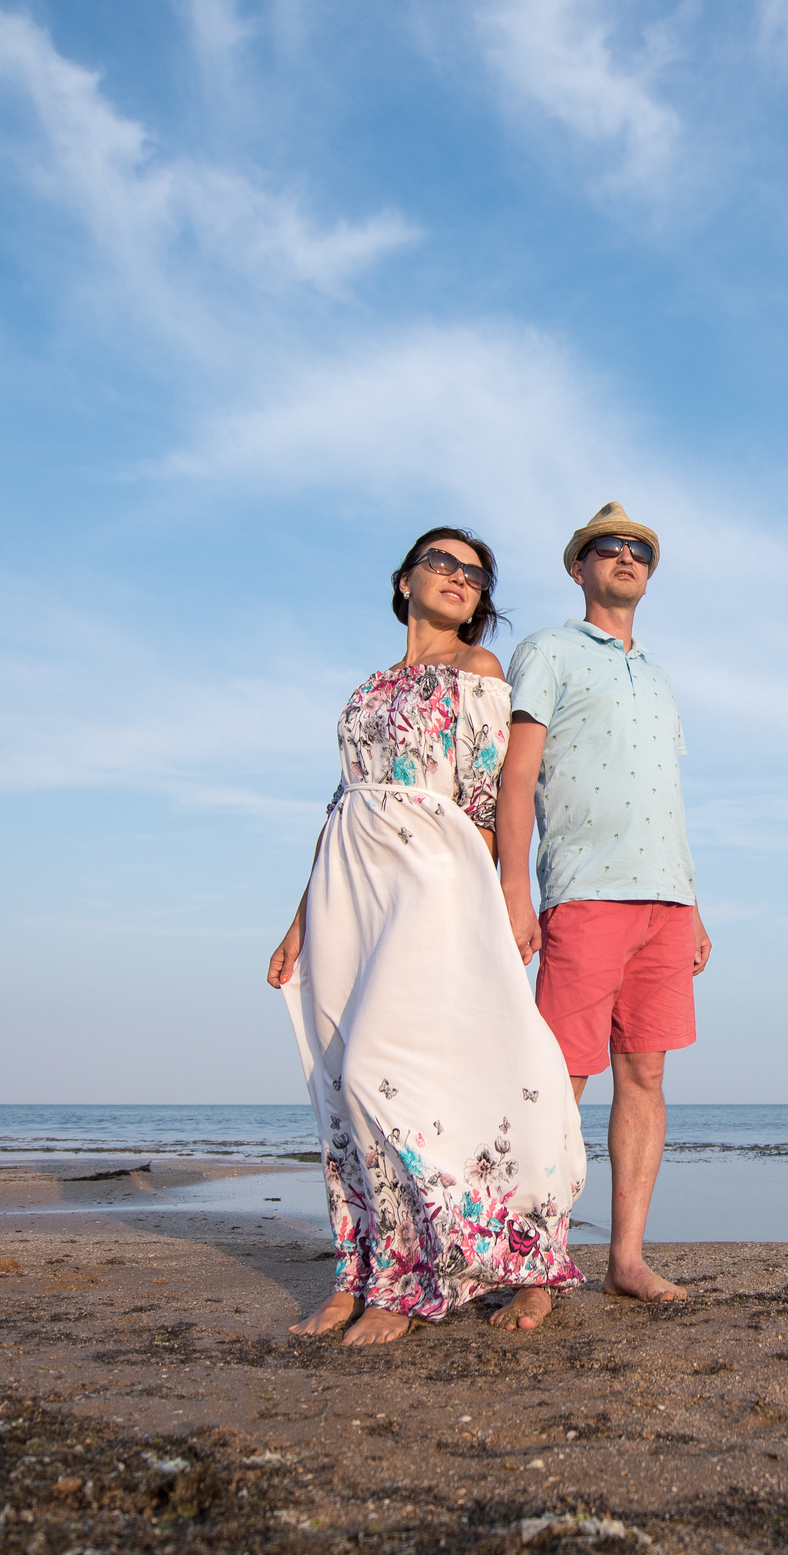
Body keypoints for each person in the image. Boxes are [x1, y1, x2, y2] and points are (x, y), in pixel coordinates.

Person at [266, 527, 586, 1343]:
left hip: (433, 881)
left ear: (480, 604)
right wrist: (300, 917)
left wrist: (508, 896)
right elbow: (340, 801)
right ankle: (357, 1270)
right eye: (440, 563)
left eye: (474, 575)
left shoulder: (478, 672)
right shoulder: (364, 691)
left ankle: (409, 1282)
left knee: (384, 1065)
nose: (457, 578)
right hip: (348, 886)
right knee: (340, 1077)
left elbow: (487, 801)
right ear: (404, 580)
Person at [497, 502, 711, 1305]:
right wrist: (516, 889)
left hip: (667, 902)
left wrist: (694, 902)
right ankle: (535, 1264)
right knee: (559, 1080)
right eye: (608, 548)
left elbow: (666, 796)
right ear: (578, 566)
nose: (626, 558)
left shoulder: (657, 677)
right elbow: (516, 777)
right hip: (584, 894)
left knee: (646, 1075)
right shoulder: (546, 651)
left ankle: (625, 1259)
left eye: (640, 552)